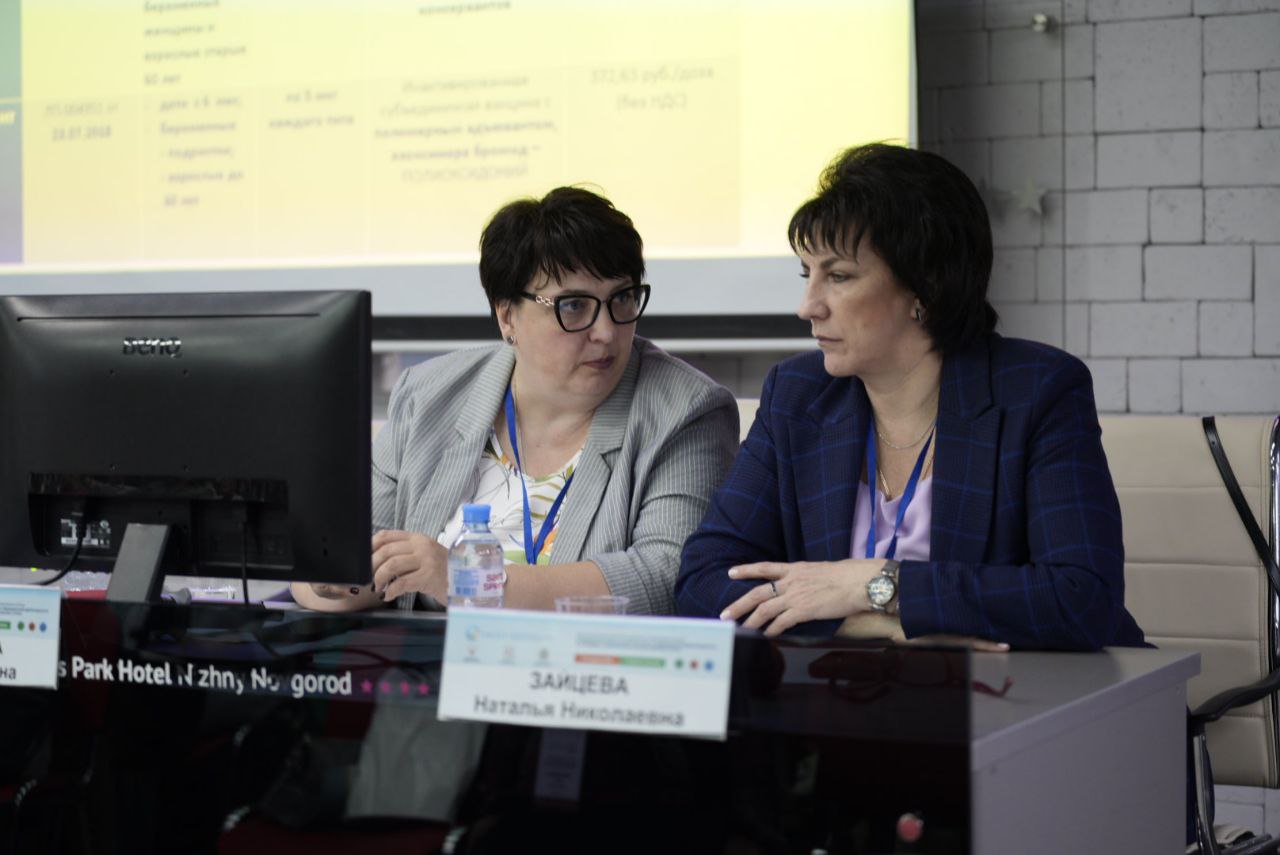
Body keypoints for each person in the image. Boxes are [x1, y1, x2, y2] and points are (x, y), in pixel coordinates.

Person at [675, 143, 1146, 651]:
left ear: (927, 286)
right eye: (807, 275)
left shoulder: (1037, 390)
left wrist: (874, 584)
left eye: (838, 276)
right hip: (855, 690)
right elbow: (702, 582)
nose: (807, 306)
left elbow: (1081, 599)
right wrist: (865, 626)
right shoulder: (797, 395)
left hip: (1031, 691)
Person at [294, 186, 738, 614]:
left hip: (580, 663)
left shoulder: (686, 411)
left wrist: (464, 578)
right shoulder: (427, 396)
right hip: (422, 661)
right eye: (574, 306)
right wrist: (331, 580)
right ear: (507, 316)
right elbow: (347, 558)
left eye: (622, 299)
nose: (606, 331)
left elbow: (665, 578)